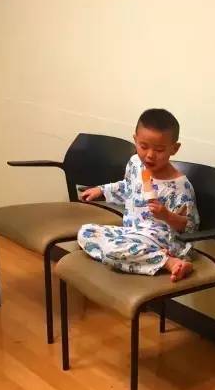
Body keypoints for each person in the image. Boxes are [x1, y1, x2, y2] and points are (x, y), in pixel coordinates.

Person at [78, 108, 200, 281]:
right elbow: (128, 187)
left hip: (161, 239)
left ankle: (169, 262)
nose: (150, 155)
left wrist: (166, 215)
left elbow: (189, 226)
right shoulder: (135, 163)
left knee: (113, 250)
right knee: (86, 232)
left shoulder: (180, 186)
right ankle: (137, 258)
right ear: (135, 140)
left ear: (174, 148)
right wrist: (102, 190)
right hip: (132, 232)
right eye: (143, 146)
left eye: (159, 150)